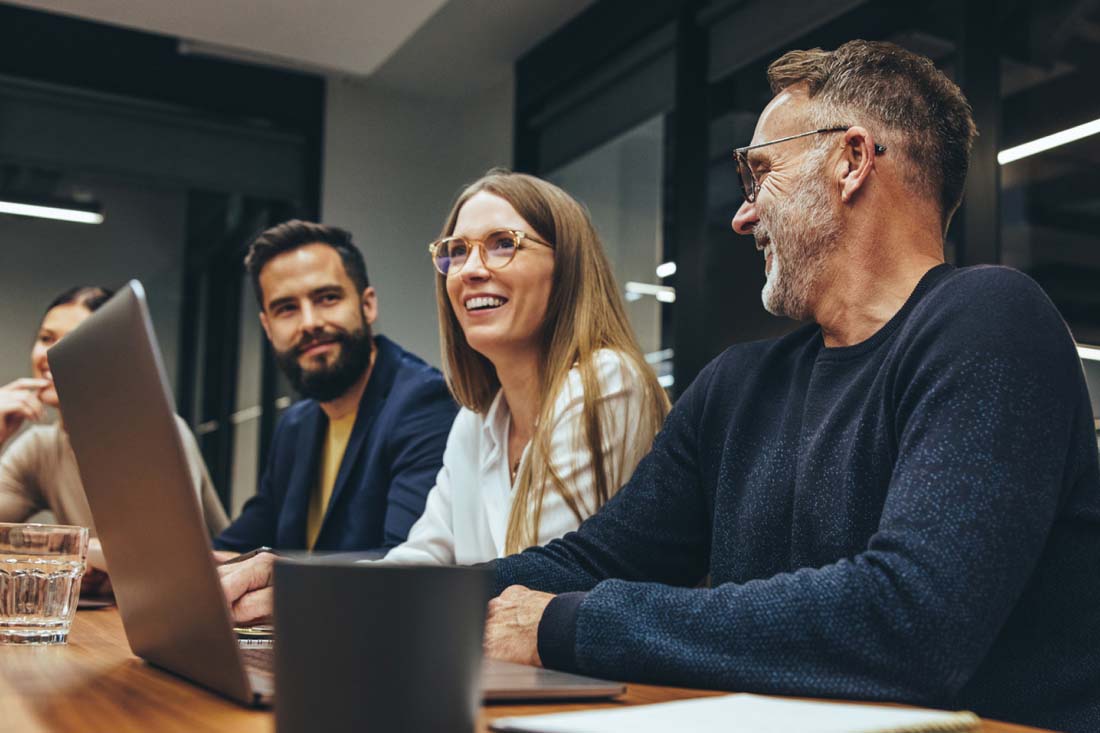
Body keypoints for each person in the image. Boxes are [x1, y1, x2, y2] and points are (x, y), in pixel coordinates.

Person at [475, 42, 1100, 733]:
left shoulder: (992, 319)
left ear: (851, 159)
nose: (742, 216)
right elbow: (592, 560)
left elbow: (910, 621)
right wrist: (418, 600)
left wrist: (572, 624)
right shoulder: (738, 386)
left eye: (760, 173)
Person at [218, 171, 670, 623]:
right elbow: (420, 557)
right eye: (457, 251)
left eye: (503, 243)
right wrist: (297, 584)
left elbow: (536, 586)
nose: (471, 269)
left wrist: (313, 595)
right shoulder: (476, 421)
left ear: (567, 265)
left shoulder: (607, 382)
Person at [212, 220, 457, 554]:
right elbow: (240, 542)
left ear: (367, 305)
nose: (309, 322)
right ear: (268, 328)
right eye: (287, 309)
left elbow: (405, 567)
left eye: (327, 298)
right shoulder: (295, 426)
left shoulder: (423, 403)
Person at [0, 286, 229, 591]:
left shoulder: (157, 432)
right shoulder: (39, 447)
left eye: (72, 342)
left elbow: (163, 558)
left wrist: (61, 552)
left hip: (205, 609)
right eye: (46, 338)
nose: (50, 355)